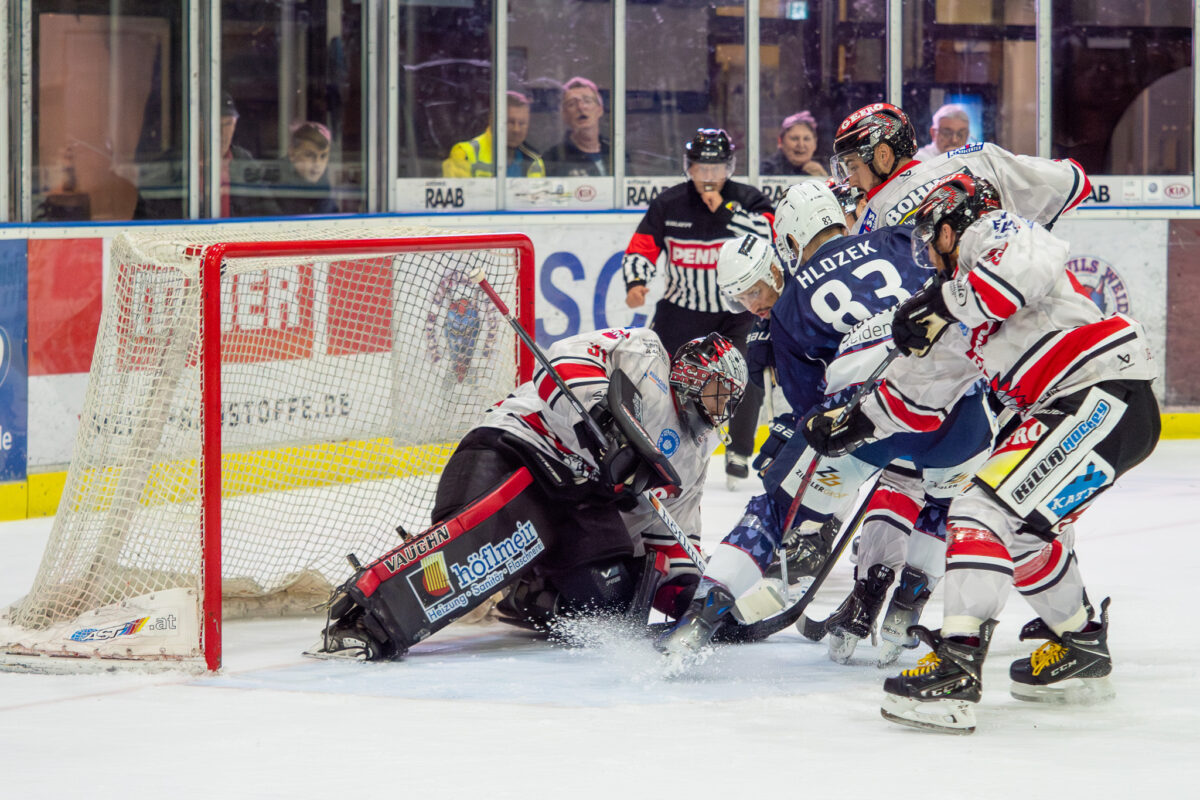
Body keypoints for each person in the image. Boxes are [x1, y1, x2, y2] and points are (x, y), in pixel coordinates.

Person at [801, 174, 1160, 734]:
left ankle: (958, 665)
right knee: (1017, 536)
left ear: (953, 226)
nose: (927, 254)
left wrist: (942, 301)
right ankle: (1081, 646)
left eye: (930, 238)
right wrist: (851, 426)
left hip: (1099, 389)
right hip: (1080, 406)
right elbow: (917, 394)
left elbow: (1023, 274)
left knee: (978, 511)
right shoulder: (959, 314)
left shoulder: (998, 232)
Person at [654, 183, 993, 669]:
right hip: (963, 409)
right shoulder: (901, 239)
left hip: (873, 417)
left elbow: (816, 412)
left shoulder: (792, 305)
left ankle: (698, 622)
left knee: (772, 510)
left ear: (788, 244)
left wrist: (797, 463)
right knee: (942, 501)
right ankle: (906, 608)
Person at [310, 327, 748, 660]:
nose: (722, 408)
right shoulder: (645, 352)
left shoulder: (696, 452)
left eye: (731, 400)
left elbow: (671, 533)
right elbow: (563, 358)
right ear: (691, 374)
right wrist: (599, 408)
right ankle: (368, 612)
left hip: (579, 500)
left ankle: (526, 590)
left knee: (608, 601)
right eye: (719, 392)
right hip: (520, 448)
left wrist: (694, 598)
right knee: (487, 540)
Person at [621, 128, 772, 487]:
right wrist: (636, 283)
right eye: (701, 167)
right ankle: (650, 444)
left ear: (729, 167)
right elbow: (641, 246)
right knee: (652, 374)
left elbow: (771, 236)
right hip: (681, 310)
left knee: (746, 373)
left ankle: (738, 451)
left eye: (716, 167)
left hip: (736, 312)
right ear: (688, 168)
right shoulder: (669, 203)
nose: (708, 176)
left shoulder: (748, 199)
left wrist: (727, 211)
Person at [830, 102, 1090, 235]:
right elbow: (1075, 181)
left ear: (883, 155)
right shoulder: (976, 159)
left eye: (852, 166)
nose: (851, 182)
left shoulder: (869, 225)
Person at [441, 91, 546, 178]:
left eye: (522, 123)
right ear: (492, 120)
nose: (516, 129)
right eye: (509, 122)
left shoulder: (535, 163)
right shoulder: (465, 154)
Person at [221, 91, 281, 218]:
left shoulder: (243, 159)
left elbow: (270, 210)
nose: (222, 132)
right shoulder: (179, 160)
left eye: (228, 124)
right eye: (217, 124)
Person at [543, 77, 610, 177]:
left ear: (600, 110)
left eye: (587, 101)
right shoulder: (553, 158)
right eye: (572, 104)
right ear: (564, 115)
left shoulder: (616, 152)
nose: (580, 107)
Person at [272, 121, 338, 215]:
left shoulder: (323, 181)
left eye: (323, 156)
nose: (317, 164)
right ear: (292, 153)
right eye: (309, 155)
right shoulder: (274, 181)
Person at [760, 111, 827, 177]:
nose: (801, 145)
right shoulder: (767, 169)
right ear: (781, 141)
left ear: (815, 143)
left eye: (806, 139)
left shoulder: (826, 167)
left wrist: (823, 178)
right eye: (794, 138)